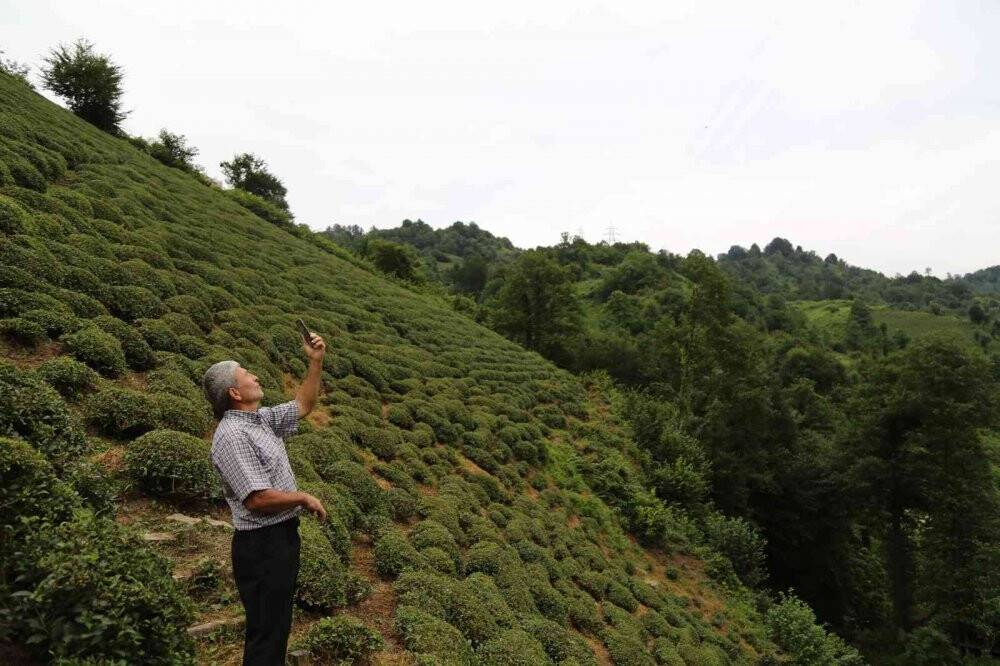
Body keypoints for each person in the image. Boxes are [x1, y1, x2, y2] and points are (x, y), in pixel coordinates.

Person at [201, 328, 329, 666]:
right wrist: (301, 497)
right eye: (246, 374)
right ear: (235, 392)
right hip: (261, 545)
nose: (255, 375)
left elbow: (304, 405)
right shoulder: (233, 435)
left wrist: (315, 362)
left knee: (276, 627)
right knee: (266, 634)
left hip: (280, 538)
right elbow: (255, 499)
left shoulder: (260, 420)